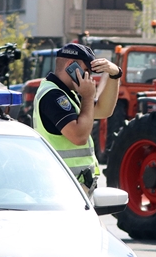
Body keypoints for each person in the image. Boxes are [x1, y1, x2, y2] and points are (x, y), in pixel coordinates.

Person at [32, 42, 122, 194]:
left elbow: (104, 110)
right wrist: (88, 96)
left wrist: (115, 74)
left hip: (73, 187)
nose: (89, 76)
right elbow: (79, 136)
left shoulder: (68, 93)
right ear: (70, 65)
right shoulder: (52, 95)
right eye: (86, 70)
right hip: (62, 188)